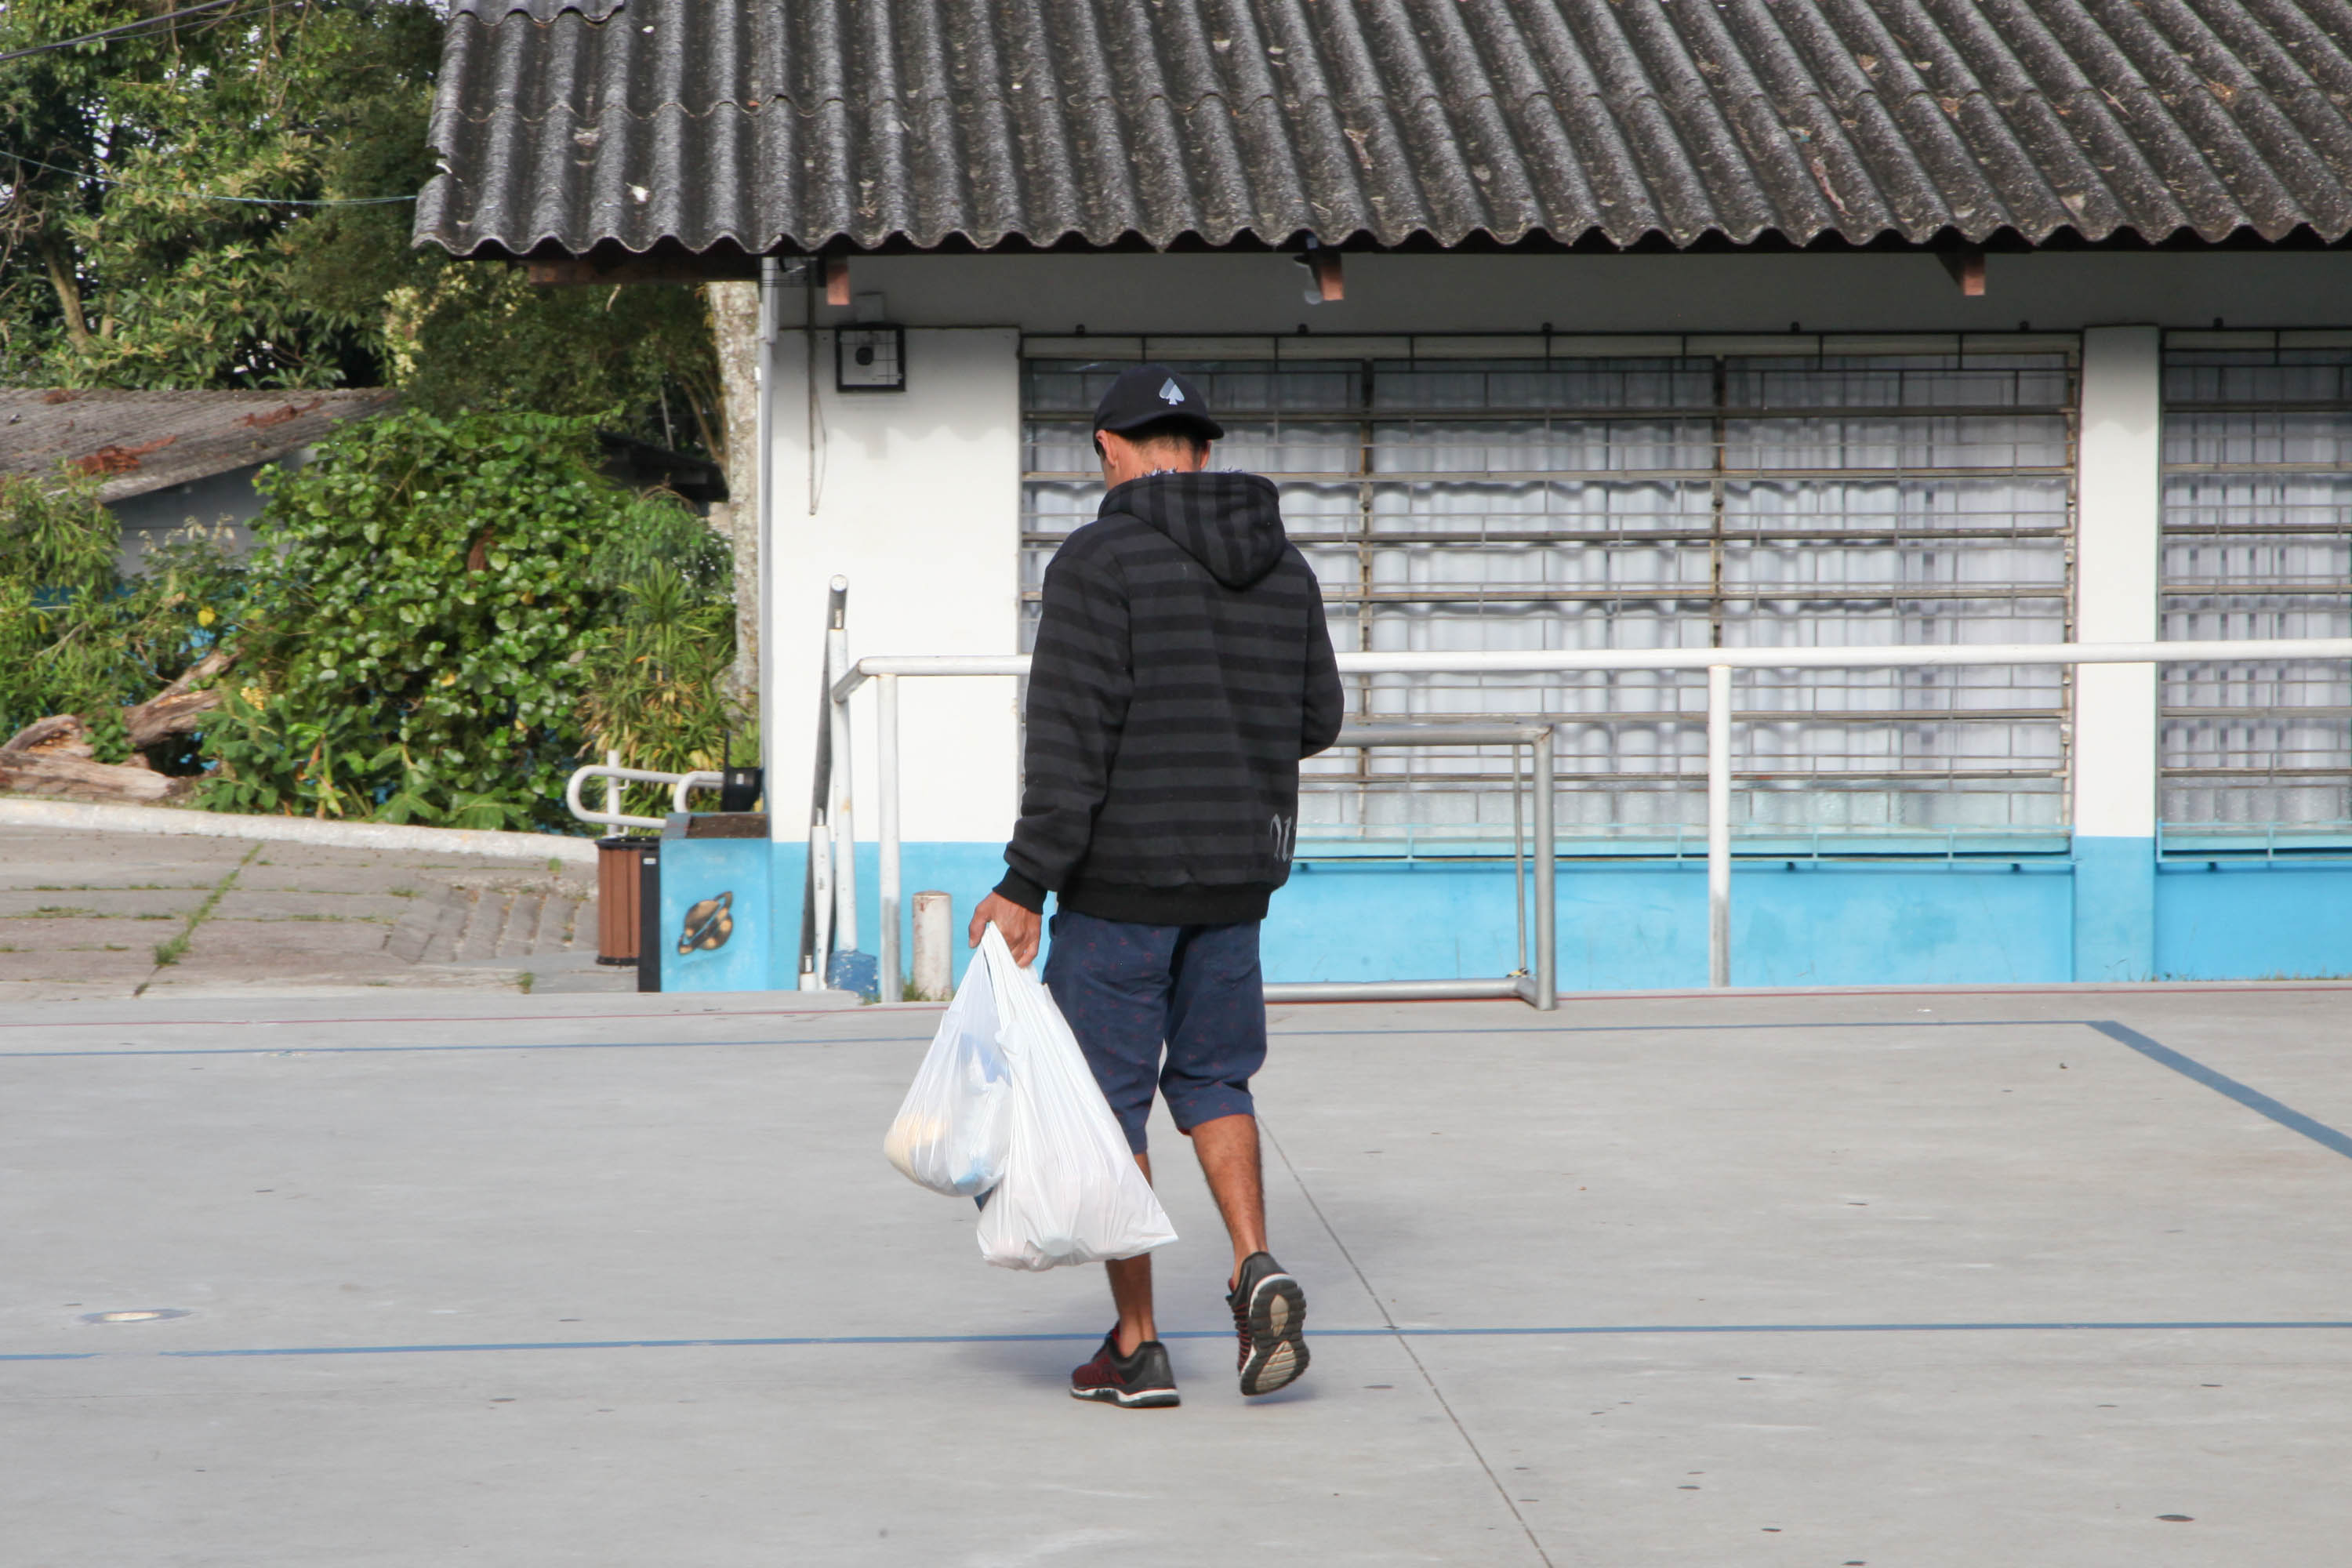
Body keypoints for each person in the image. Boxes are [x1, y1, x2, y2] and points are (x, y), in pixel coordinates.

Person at [967, 363, 1344, 1408]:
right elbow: (1318, 721)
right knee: (1218, 1077)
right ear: (1204, 451)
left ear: (1108, 450)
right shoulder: (1287, 566)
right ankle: (1253, 1265)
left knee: (1107, 1106)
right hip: (1236, 875)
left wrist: (1022, 887)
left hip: (1125, 882)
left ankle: (1137, 1345)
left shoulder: (1099, 560)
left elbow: (1070, 742)